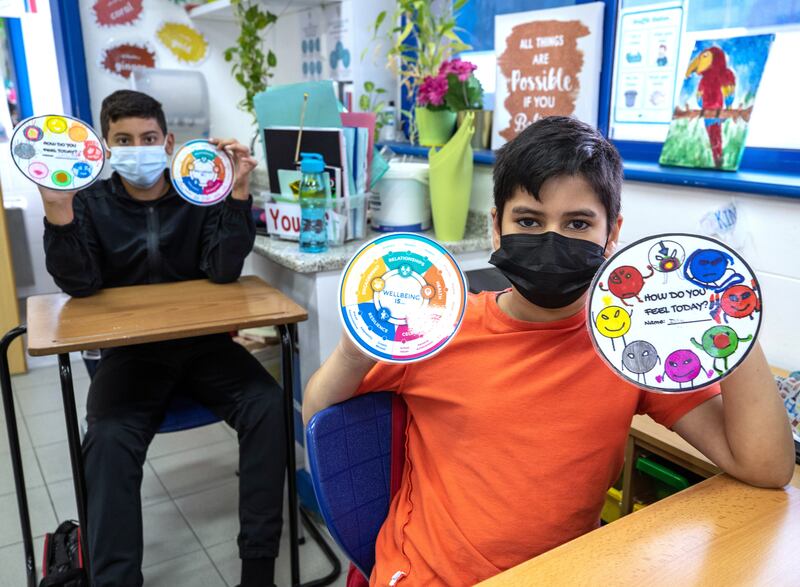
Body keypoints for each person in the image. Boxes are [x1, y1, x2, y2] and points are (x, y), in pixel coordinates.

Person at [302, 116, 796, 586]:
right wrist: (354, 351)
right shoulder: (441, 327)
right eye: (530, 221)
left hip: (563, 571)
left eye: (579, 223)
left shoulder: (629, 346)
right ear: (497, 226)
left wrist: (733, 322)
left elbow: (766, 468)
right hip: (433, 576)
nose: (552, 238)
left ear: (613, 234)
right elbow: (319, 417)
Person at [40, 90, 283, 587]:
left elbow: (222, 271)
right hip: (130, 356)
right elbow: (80, 285)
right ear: (104, 148)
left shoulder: (200, 191)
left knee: (268, 405)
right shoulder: (88, 202)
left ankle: (258, 570)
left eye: (149, 138)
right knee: (107, 440)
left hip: (205, 348)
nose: (138, 148)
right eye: (123, 139)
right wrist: (58, 211)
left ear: (168, 141)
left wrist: (237, 191)